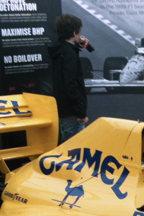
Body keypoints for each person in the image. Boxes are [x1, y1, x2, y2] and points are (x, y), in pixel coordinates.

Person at [48, 14, 91, 143]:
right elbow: (71, 84)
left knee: (65, 148)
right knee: (77, 151)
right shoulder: (70, 54)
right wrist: (81, 113)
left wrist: (83, 44)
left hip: (62, 109)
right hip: (73, 112)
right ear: (74, 32)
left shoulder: (58, 48)